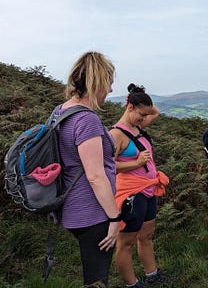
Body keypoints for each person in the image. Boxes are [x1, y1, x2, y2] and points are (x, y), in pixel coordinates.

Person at [57, 51, 120, 287]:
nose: (111, 90)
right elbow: (95, 176)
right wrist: (114, 218)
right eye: (109, 83)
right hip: (92, 212)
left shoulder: (61, 111)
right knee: (96, 280)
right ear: (98, 82)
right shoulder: (87, 120)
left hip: (71, 206)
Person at [110, 84, 169, 288]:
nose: (145, 119)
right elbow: (107, 166)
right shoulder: (116, 135)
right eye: (141, 114)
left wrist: (135, 93)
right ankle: (131, 284)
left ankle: (151, 274)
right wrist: (136, 163)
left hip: (149, 189)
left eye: (145, 115)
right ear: (130, 108)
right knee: (126, 243)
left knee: (147, 235)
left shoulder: (138, 127)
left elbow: (156, 111)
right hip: (131, 194)